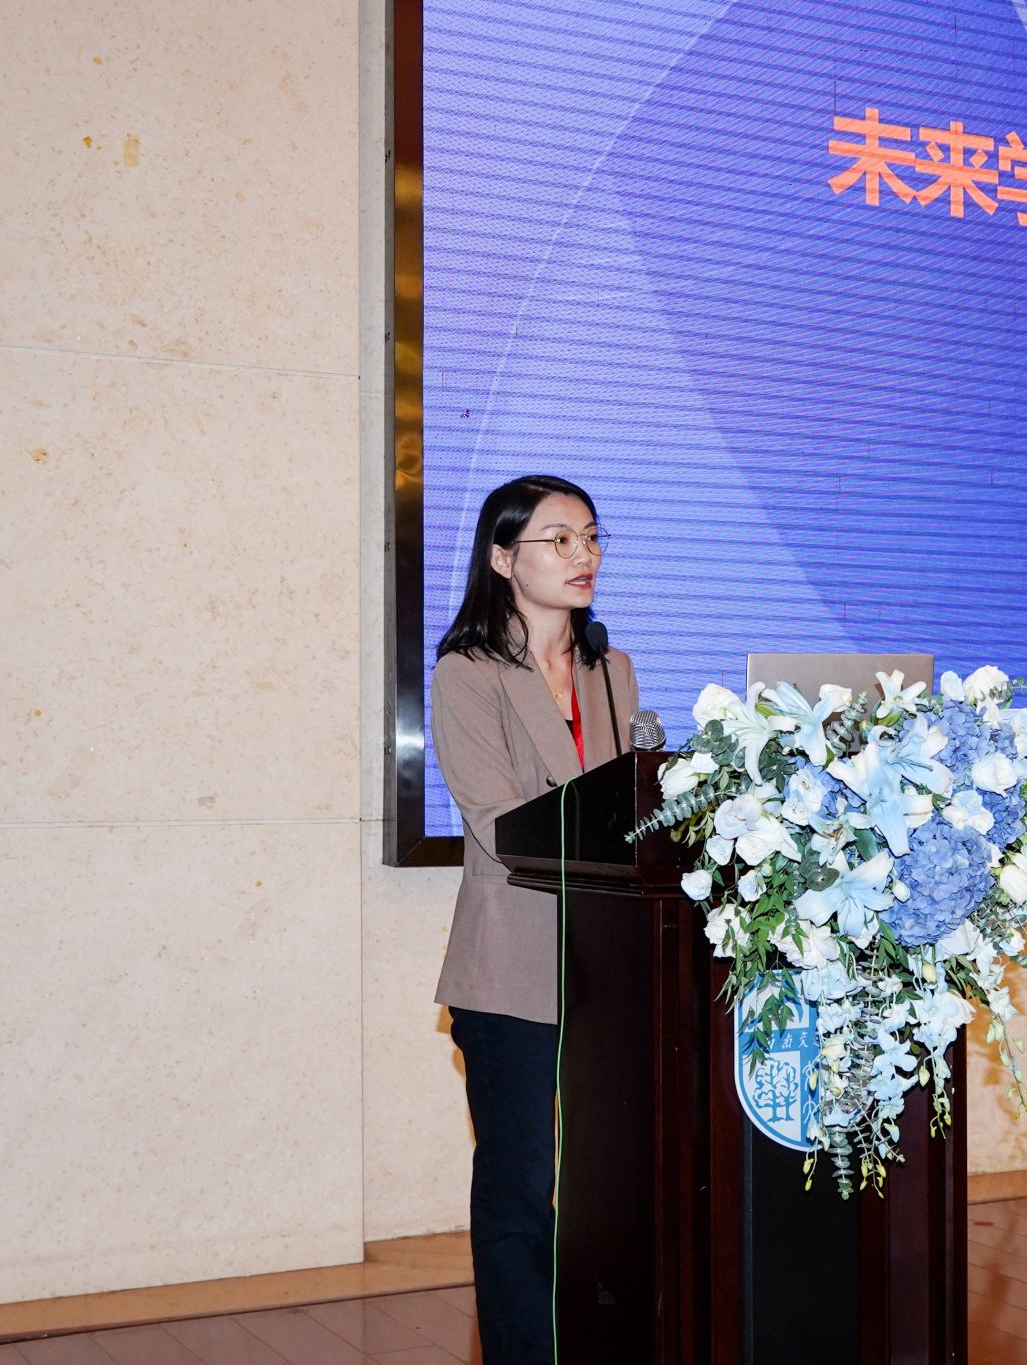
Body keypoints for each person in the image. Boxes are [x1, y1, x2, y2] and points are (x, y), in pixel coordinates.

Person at [430, 474, 637, 1365]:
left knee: (609, 1182)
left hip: (610, 968)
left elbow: (636, 811)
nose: (582, 554)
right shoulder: (467, 673)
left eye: (590, 536)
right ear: (502, 558)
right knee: (519, 1188)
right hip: (510, 967)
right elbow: (500, 819)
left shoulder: (611, 670)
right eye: (559, 539)